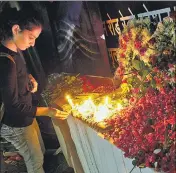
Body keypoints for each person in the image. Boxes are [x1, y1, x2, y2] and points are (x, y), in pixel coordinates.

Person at [0, 7, 69, 173]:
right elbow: (14, 107)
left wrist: (28, 77)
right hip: (16, 123)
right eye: (31, 37)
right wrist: (47, 111)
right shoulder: (5, 63)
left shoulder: (13, 49)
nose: (33, 43)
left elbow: (18, 70)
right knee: (35, 162)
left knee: (39, 151)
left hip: (26, 117)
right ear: (16, 29)